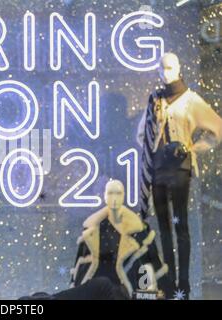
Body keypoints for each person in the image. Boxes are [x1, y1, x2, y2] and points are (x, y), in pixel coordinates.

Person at [137, 52, 222, 299]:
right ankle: (168, 281)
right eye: (161, 69)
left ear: (179, 68)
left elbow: (216, 130)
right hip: (159, 171)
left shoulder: (191, 100)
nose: (166, 73)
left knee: (180, 226)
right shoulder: (155, 100)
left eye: (170, 67)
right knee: (163, 228)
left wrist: (191, 148)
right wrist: (154, 151)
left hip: (180, 170)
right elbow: (142, 135)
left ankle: (183, 284)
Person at [70, 180, 168, 299]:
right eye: (110, 193)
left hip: (125, 292)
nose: (114, 198)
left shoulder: (138, 231)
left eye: (118, 193)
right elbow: (80, 267)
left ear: (123, 196)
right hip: (96, 292)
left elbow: (148, 266)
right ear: (105, 196)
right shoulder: (92, 230)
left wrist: (148, 293)